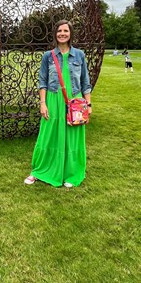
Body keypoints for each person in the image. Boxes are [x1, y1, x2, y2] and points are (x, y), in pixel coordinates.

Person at [24, 19, 92, 188]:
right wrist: (42, 103)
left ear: (70, 34)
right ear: (55, 34)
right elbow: (42, 81)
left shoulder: (80, 55)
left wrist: (88, 105)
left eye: (66, 31)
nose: (62, 33)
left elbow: (85, 82)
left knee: (73, 137)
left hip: (75, 101)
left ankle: (72, 173)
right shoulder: (48, 56)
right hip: (53, 99)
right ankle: (39, 171)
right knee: (48, 135)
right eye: (59, 31)